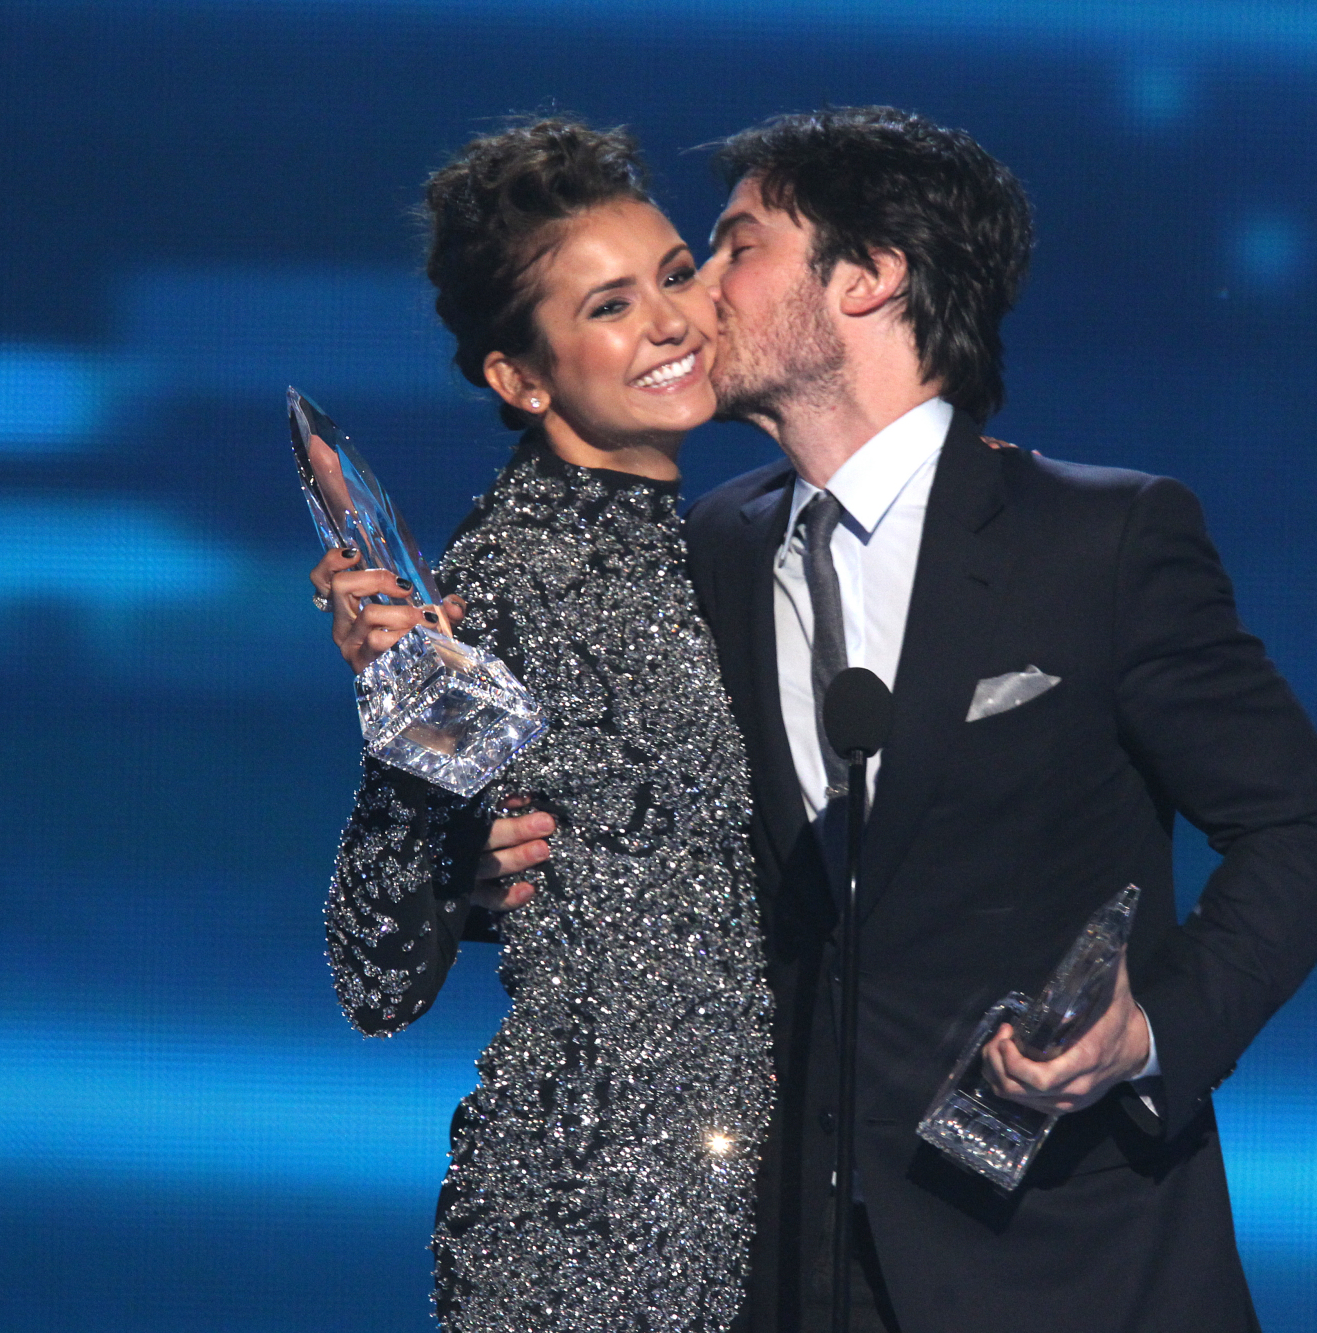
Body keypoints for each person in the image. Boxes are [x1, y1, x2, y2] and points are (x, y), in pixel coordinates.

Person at [677, 107, 1317, 1331]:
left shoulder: (1097, 541)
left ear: (871, 274)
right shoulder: (717, 549)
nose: (698, 281)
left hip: (1064, 1266)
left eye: (739, 244)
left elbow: (1303, 828)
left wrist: (1149, 1029)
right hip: (791, 1275)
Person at [309, 118, 773, 1333]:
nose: (671, 321)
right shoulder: (503, 580)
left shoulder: (756, 539)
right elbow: (374, 976)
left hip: (784, 1205)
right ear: (522, 378)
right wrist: (414, 744)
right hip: (593, 1229)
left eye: (676, 275)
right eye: (611, 306)